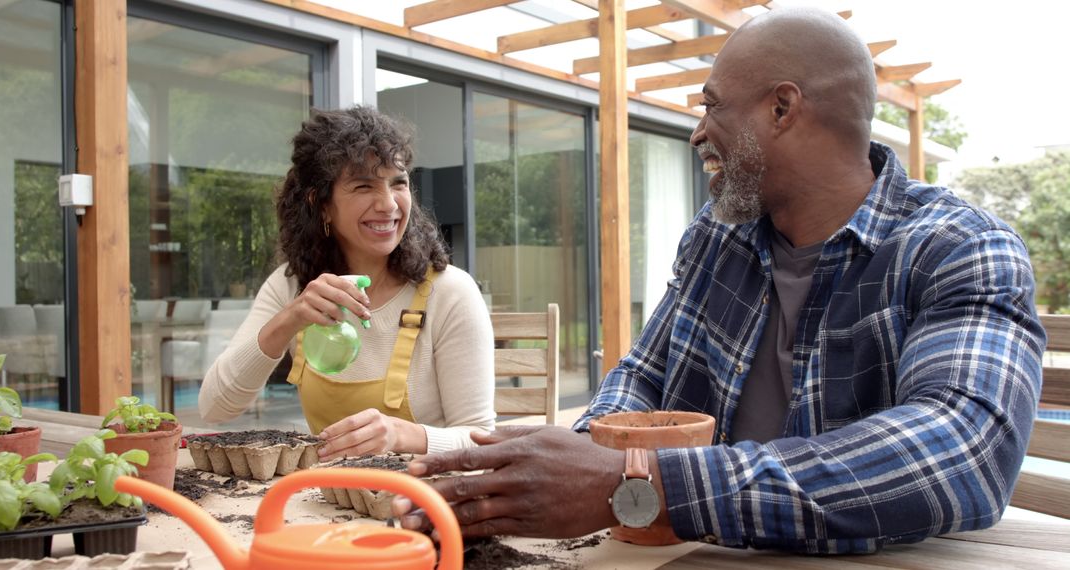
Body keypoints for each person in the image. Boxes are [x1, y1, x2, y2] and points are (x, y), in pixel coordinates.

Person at [393, 7, 1045, 553]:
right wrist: (534, 478)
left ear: (782, 108)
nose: (698, 132)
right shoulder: (717, 237)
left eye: (712, 106)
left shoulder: (960, 248)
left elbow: (964, 452)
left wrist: (635, 481)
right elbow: (645, 380)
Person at [198, 106, 495, 459]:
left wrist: (402, 435)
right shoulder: (290, 287)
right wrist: (289, 320)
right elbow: (214, 408)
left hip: (423, 501)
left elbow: (480, 441)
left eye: (397, 182)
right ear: (321, 204)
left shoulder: (449, 292)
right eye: (363, 186)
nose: (388, 204)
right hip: (322, 500)